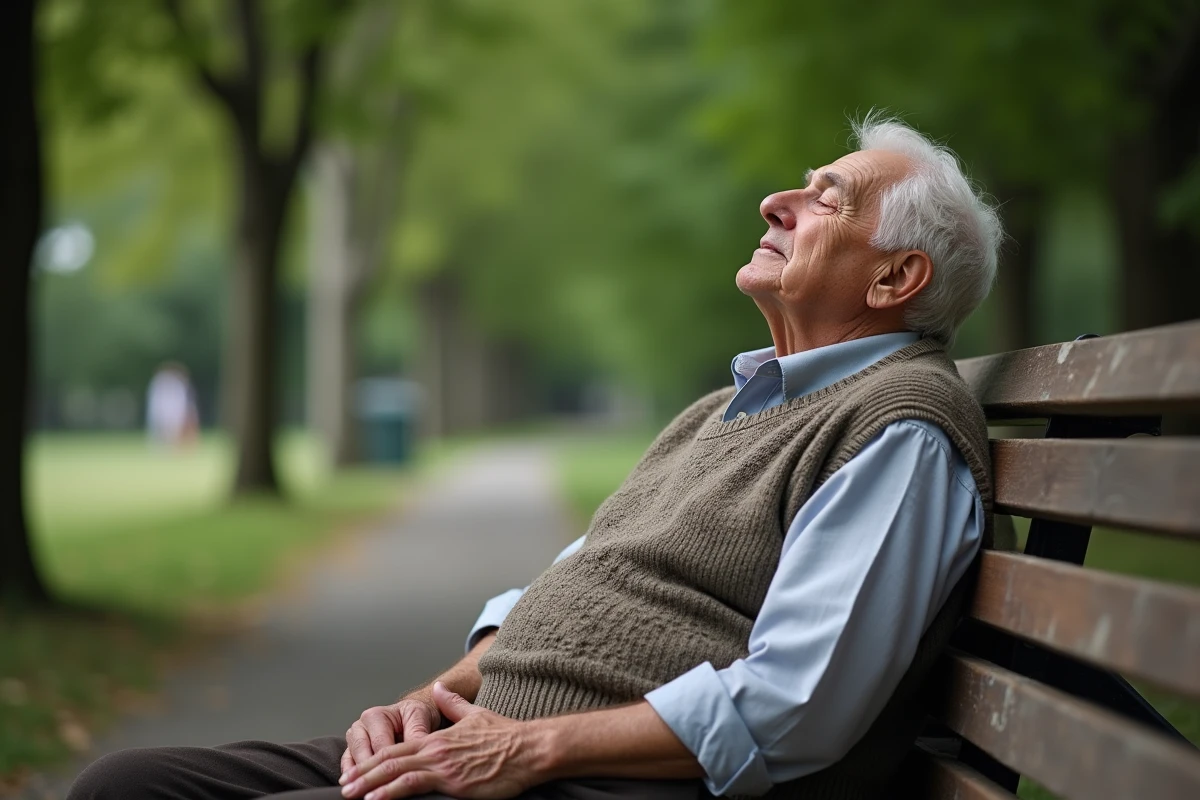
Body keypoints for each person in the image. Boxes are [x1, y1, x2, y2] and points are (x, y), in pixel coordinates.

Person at [69, 113, 1002, 800]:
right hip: (496, 744)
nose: (778, 201)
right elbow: (575, 582)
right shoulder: (727, 408)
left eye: (826, 198)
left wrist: (527, 751)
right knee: (125, 786)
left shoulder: (900, 427)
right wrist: (422, 701)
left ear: (894, 277)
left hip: (592, 781)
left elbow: (794, 705)